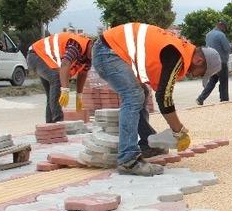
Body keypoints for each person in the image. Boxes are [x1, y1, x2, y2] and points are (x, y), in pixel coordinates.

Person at [93, 22, 221, 176]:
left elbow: (163, 92)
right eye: (201, 73)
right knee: (134, 96)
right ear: (199, 61)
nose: (195, 76)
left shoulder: (179, 51)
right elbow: (163, 97)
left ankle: (147, 144)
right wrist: (178, 131)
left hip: (111, 50)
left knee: (142, 93)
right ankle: (128, 160)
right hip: (108, 52)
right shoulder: (176, 54)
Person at [26, 32, 93, 123]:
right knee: (57, 79)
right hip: (37, 55)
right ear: (92, 46)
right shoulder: (77, 45)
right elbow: (65, 64)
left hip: (43, 58)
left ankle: (51, 127)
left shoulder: (88, 59)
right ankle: (58, 122)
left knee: (52, 94)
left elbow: (82, 74)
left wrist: (79, 95)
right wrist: (65, 89)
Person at [196, 20, 231, 105]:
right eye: (224, 28)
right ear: (222, 26)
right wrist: (231, 46)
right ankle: (224, 100)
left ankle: (200, 98)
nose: (224, 30)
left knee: (212, 81)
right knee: (223, 81)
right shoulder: (221, 35)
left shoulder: (208, 35)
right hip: (221, 62)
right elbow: (227, 48)